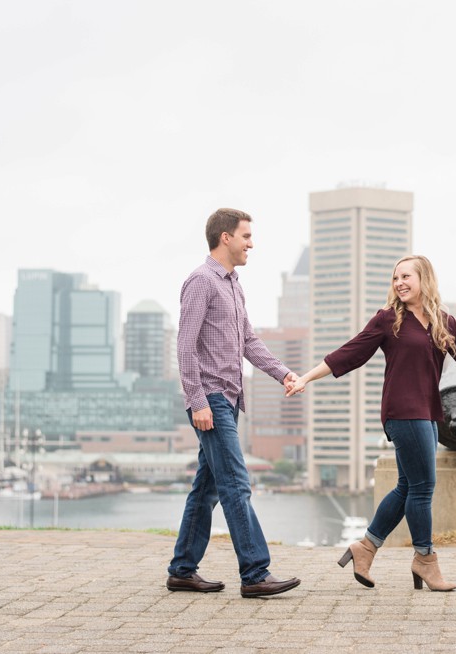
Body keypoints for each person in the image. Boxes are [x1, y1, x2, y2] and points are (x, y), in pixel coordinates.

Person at [286, 254, 456, 592]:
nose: (399, 283)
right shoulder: (388, 320)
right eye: (395, 278)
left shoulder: (443, 322)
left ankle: (365, 547)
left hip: (429, 413)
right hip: (403, 412)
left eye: (406, 277)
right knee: (422, 488)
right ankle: (425, 559)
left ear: (424, 279)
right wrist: (306, 378)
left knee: (407, 486)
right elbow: (350, 352)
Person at [167, 208, 301, 599]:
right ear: (225, 237)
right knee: (236, 485)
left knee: (207, 488)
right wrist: (197, 402)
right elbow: (184, 346)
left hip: (228, 397)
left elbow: (249, 342)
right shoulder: (200, 281)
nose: (251, 243)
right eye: (246, 236)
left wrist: (283, 373)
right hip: (209, 398)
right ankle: (256, 573)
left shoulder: (233, 284)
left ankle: (182, 570)